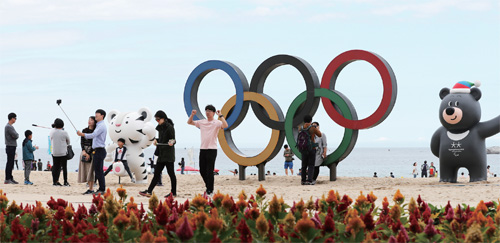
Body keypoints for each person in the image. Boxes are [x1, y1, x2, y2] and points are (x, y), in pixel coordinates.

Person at [187, 105, 228, 196]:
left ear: (213, 113)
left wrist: (220, 115)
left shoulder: (217, 122)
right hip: (203, 149)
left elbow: (225, 125)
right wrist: (192, 115)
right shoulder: (202, 122)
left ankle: (210, 190)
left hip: (212, 149)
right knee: (202, 170)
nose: (207, 112)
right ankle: (208, 187)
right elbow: (189, 122)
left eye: (209, 111)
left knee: (209, 171)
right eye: (206, 111)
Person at [140, 110, 176, 198]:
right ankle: (149, 191)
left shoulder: (170, 127)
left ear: (163, 118)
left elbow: (173, 140)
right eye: (156, 120)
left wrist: (171, 142)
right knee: (156, 173)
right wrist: (157, 140)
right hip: (161, 154)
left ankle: (173, 193)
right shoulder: (160, 128)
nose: (157, 121)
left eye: (158, 119)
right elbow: (162, 139)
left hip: (168, 155)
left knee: (171, 174)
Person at [77, 109, 107, 195]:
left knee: (99, 171)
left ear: (102, 116)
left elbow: (93, 135)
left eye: (97, 114)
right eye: (95, 114)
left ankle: (102, 189)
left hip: (100, 150)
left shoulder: (101, 126)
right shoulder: (98, 125)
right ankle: (100, 189)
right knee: (98, 171)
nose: (96, 115)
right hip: (97, 150)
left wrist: (82, 134)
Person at [298, 115, 322, 185]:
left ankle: (303, 180)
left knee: (303, 165)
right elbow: (320, 135)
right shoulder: (312, 128)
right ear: (311, 121)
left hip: (303, 148)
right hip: (312, 148)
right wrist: (316, 129)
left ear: (304, 120)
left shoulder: (301, 128)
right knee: (311, 165)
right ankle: (309, 180)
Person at [78, 116, 96, 195]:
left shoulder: (95, 131)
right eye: (89, 120)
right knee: (85, 170)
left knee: (91, 171)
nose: (89, 121)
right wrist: (84, 151)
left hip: (92, 152)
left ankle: (91, 188)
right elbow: (82, 141)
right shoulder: (84, 130)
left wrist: (89, 153)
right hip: (84, 151)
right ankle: (89, 187)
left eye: (92, 120)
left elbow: (94, 143)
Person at [50, 118, 71, 186]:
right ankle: (65, 181)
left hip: (55, 152)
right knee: (64, 167)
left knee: (55, 167)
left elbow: (51, 137)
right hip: (63, 153)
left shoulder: (52, 132)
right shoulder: (64, 132)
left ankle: (55, 181)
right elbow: (68, 142)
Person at [4, 112, 19, 184]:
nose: (15, 120)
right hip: (10, 146)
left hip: (12, 146)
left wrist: (15, 135)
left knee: (11, 162)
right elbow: (16, 135)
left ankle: (10, 177)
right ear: (12, 118)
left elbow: (15, 135)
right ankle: (7, 178)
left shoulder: (10, 126)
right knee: (10, 163)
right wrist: (15, 135)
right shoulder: (8, 127)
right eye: (15, 118)